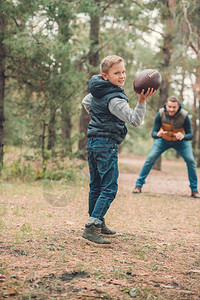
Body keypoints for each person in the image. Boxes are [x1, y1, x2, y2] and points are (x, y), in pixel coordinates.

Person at [81, 55, 155, 245]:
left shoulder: (97, 90)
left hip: (92, 143)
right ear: (105, 76)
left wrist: (99, 119)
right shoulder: (115, 98)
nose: (122, 76)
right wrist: (141, 101)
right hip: (106, 144)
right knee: (109, 187)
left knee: (96, 185)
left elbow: (85, 103)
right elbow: (135, 120)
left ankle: (97, 220)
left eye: (123, 71)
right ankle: (92, 227)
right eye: (117, 73)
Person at [133, 95, 200, 198]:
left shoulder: (184, 115)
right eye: (169, 107)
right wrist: (158, 134)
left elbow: (190, 135)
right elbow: (153, 133)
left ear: (178, 107)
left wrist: (183, 136)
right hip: (163, 140)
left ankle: (194, 190)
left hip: (180, 142)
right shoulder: (160, 114)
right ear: (166, 105)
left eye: (174, 107)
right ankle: (138, 185)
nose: (171, 109)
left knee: (191, 161)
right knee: (150, 159)